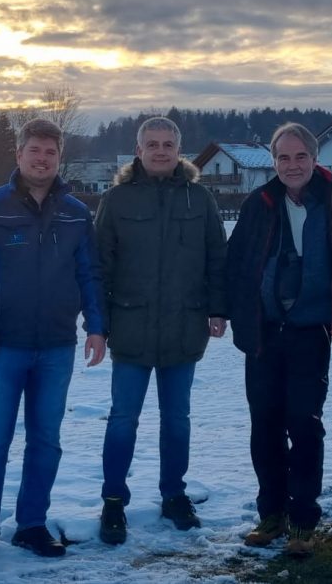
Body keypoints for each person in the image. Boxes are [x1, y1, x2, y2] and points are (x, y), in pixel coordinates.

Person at [0, 118, 107, 565]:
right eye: (34, 151)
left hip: (56, 346)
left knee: (46, 441)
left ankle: (32, 526)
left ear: (60, 159)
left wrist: (96, 326)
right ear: (18, 155)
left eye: (50, 153)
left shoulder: (76, 213)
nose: (42, 159)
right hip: (1, 346)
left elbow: (89, 274)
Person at [96, 116, 228, 545]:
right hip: (130, 327)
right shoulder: (116, 201)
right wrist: (97, 324)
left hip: (184, 327)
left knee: (177, 420)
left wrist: (218, 309)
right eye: (151, 144)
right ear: (138, 150)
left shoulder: (199, 200)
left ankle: (174, 495)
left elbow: (217, 259)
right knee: (122, 420)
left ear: (179, 150)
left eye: (167, 144)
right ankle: (113, 502)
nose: (159, 151)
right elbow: (100, 268)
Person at [225, 122, 332, 558]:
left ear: (314, 157)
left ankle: (304, 520)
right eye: (283, 158)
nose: (292, 165)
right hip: (264, 334)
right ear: (273, 162)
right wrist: (228, 312)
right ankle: (270, 514)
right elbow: (236, 264)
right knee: (265, 424)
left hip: (311, 333)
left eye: (300, 156)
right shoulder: (260, 202)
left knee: (303, 425)